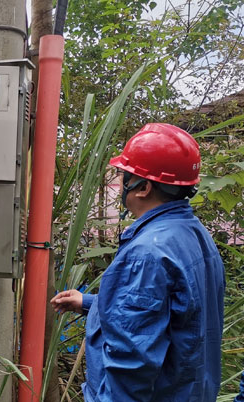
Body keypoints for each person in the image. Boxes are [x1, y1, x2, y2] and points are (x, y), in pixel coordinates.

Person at [50, 123, 225, 401]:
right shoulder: (193, 234)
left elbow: (131, 363)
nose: (121, 182)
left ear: (143, 187)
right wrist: (89, 302)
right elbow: (167, 310)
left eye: (125, 175)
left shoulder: (147, 253)